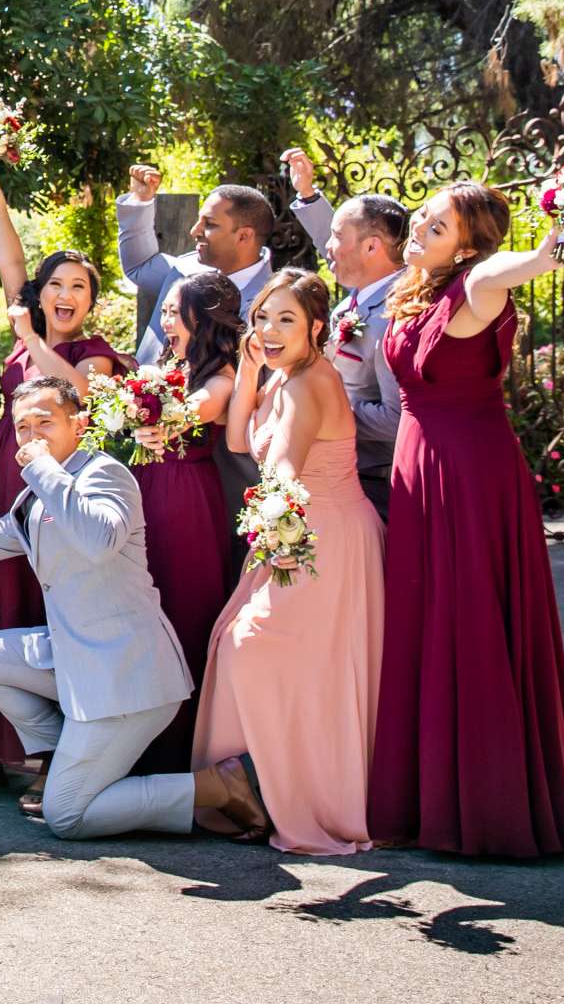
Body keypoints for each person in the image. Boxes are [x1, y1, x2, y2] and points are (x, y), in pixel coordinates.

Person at [0, 378, 268, 843]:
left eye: (44, 423)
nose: (31, 437)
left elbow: (98, 540)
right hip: (76, 658)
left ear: (79, 425)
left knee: (67, 816)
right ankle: (57, 750)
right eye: (22, 427)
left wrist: (44, 469)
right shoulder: (37, 494)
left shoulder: (106, 474)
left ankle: (213, 787)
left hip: (127, 678)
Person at [368, 182, 564, 857]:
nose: (421, 228)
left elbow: (518, 264)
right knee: (425, 625)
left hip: (466, 476)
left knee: (465, 623)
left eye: (438, 227)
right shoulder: (418, 286)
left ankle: (484, 808)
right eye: (425, 218)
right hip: (421, 468)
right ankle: (427, 797)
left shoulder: (477, 284)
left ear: (466, 246)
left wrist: (562, 231)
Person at [191, 269, 381, 852]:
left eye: (287, 320)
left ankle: (295, 796)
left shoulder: (305, 385)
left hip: (319, 537)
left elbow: (286, 473)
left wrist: (277, 529)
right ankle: (258, 789)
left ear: (317, 327)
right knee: (257, 652)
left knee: (259, 649)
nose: (270, 330)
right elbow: (240, 441)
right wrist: (251, 366)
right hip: (290, 529)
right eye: (263, 318)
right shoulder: (281, 376)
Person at [0, 156, 125, 779]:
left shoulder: (96, 356)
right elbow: (9, 256)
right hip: (2, 479)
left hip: (57, 496)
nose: (64, 294)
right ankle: (4, 748)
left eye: (79, 287)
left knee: (41, 606)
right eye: (55, 283)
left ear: (91, 302)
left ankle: (61, 749)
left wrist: (30, 340)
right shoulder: (25, 319)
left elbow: (75, 392)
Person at [125, 271, 240, 776]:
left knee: (182, 608)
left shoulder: (222, 376)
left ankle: (177, 752)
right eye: (165, 311)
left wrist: (157, 414)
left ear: (202, 319)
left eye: (175, 312)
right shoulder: (165, 365)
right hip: (145, 491)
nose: (166, 321)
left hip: (186, 501)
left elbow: (201, 408)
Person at [281, 148, 408, 517]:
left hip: (374, 481)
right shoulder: (359, 295)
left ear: (372, 247)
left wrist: (324, 412)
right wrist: (307, 195)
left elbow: (397, 417)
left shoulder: (393, 315)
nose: (327, 248)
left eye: (337, 236)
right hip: (341, 472)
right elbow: (338, 248)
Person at [118, 164, 279, 364]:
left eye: (209, 224)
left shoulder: (271, 304)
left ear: (244, 236)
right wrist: (141, 201)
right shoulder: (185, 268)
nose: (194, 231)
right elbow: (140, 266)